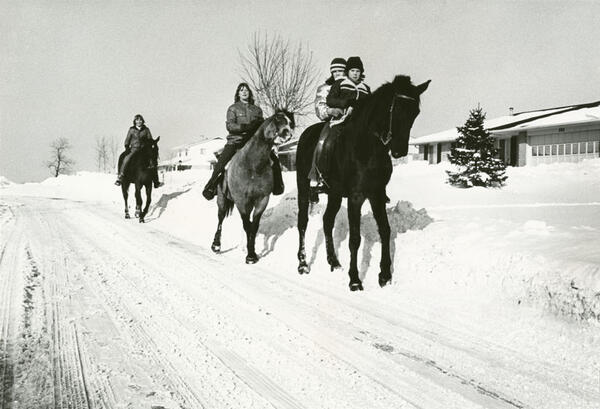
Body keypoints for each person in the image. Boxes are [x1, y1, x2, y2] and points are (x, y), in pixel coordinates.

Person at [202, 83, 284, 200]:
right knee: (222, 162)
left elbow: (262, 127)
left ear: (249, 93)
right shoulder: (233, 108)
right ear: (238, 94)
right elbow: (230, 126)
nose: (244, 92)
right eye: (241, 90)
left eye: (246, 90)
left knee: (274, 160)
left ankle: (278, 186)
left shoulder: (257, 110)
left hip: (253, 142)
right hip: (236, 140)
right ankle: (210, 187)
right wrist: (245, 127)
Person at [311, 56, 370, 199]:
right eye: (334, 71)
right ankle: (318, 177)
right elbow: (321, 105)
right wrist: (331, 110)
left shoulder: (358, 86)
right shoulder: (325, 88)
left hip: (357, 122)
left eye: (340, 70)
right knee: (323, 143)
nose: (337, 73)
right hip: (333, 119)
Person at [115, 114, 162, 188]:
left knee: (152, 161)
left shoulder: (146, 129)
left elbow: (149, 138)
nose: (139, 121)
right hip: (134, 148)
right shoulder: (131, 129)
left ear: (142, 121)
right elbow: (127, 139)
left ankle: (156, 181)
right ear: (135, 121)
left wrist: (153, 142)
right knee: (126, 159)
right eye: (137, 120)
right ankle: (120, 177)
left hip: (144, 149)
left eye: (140, 120)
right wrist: (127, 146)